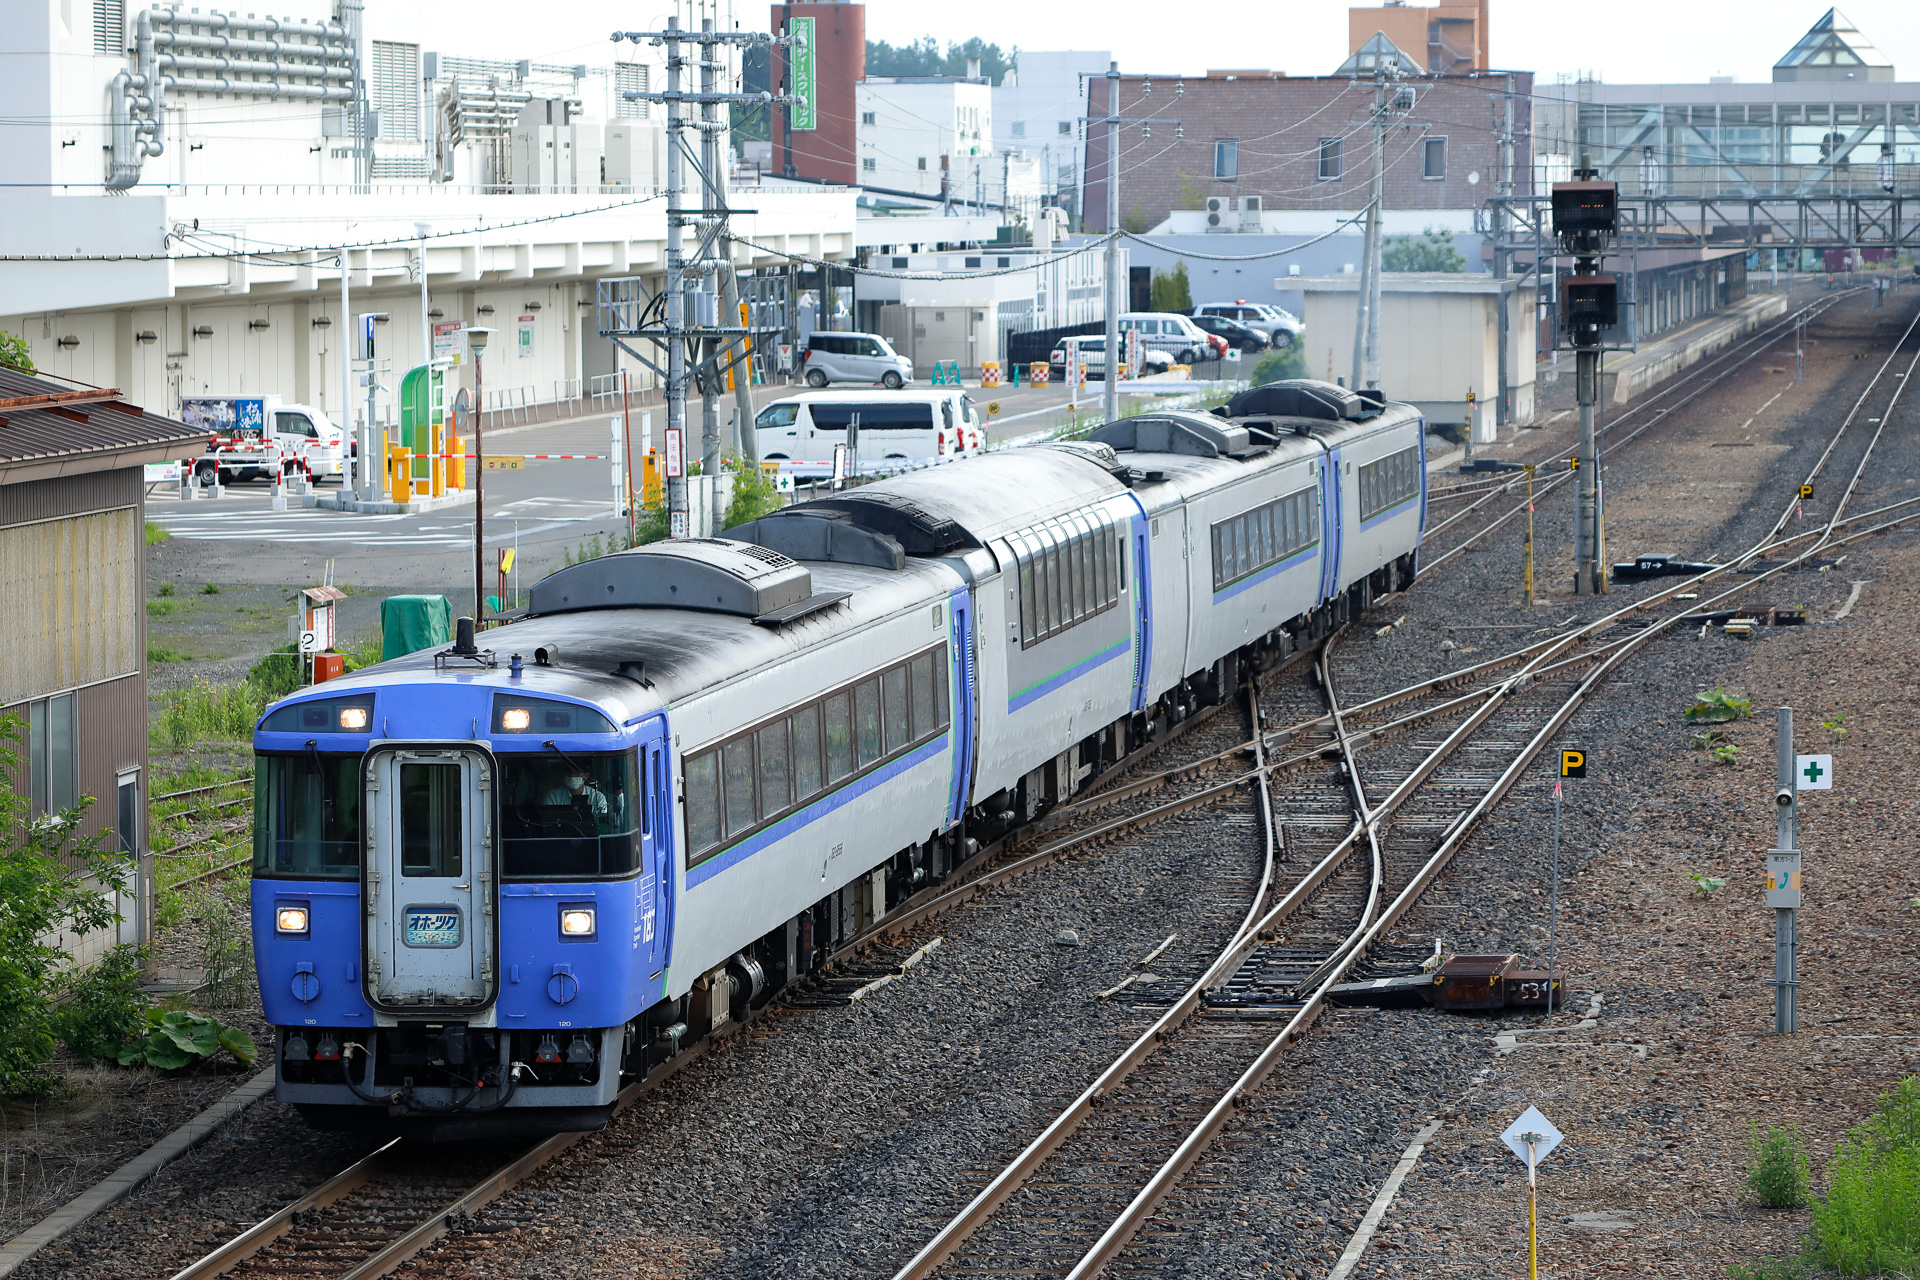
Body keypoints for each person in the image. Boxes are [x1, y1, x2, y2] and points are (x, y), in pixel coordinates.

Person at [544, 767, 609, 819]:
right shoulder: (553, 796)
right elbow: (549, 820)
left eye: (576, 772)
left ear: (586, 776)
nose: (572, 776)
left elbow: (602, 823)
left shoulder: (598, 797)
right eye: (568, 773)